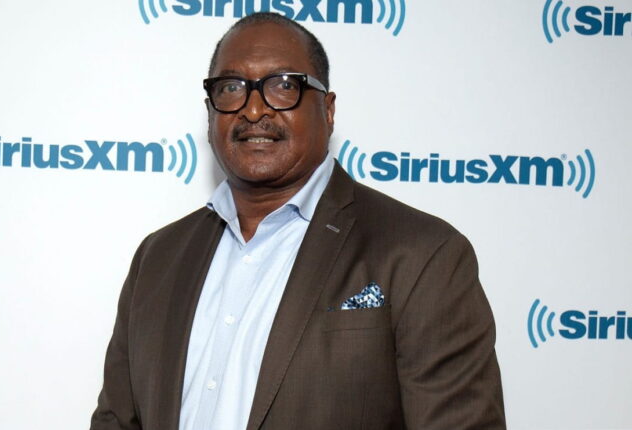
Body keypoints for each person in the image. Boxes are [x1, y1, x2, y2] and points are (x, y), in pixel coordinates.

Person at [90, 12, 506, 430]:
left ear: (327, 109)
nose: (253, 110)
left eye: (283, 86)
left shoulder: (422, 254)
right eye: (231, 88)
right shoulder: (158, 257)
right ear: (210, 111)